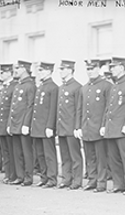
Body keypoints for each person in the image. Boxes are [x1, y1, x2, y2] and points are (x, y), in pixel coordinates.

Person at [100, 56, 125, 195]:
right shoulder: (114, 85)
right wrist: (104, 125)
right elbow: (108, 108)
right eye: (111, 67)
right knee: (114, 159)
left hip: (123, 128)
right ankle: (119, 184)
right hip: (111, 128)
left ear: (122, 67)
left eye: (114, 67)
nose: (111, 69)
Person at [77, 59, 112, 192]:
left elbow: (108, 108)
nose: (90, 71)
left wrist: (104, 125)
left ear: (98, 69)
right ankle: (92, 180)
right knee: (90, 157)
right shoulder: (84, 88)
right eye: (88, 69)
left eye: (92, 69)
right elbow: (79, 109)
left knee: (101, 158)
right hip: (87, 128)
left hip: (98, 129)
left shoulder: (106, 86)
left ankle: (101, 183)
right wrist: (78, 127)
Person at [7, 60, 37, 187]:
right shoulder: (18, 85)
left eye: (18, 68)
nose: (16, 70)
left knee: (26, 152)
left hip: (23, 124)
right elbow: (12, 107)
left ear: (25, 69)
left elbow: (30, 106)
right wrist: (9, 123)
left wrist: (26, 124)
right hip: (15, 124)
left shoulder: (30, 85)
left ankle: (28, 177)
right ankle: (20, 176)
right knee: (17, 152)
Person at [30, 61, 59, 189]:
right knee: (40, 154)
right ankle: (44, 177)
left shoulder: (53, 87)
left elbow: (53, 109)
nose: (39, 73)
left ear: (49, 71)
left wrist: (50, 126)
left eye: (41, 70)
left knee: (49, 154)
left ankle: (52, 178)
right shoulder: (41, 86)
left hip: (46, 127)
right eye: (39, 70)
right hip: (37, 126)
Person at [56, 60, 84, 190]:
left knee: (75, 156)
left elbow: (79, 109)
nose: (60, 71)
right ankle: (66, 179)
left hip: (71, 127)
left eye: (63, 69)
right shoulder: (62, 87)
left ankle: (77, 180)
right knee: (64, 155)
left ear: (70, 70)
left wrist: (77, 127)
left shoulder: (77, 87)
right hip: (62, 127)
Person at [0, 63, 18, 184]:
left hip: (9, 124)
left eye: (3, 72)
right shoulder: (4, 87)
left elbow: (12, 109)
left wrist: (10, 124)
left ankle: (12, 175)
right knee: (5, 152)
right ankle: (8, 174)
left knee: (11, 152)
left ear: (9, 73)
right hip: (1, 125)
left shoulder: (14, 86)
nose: (1, 74)